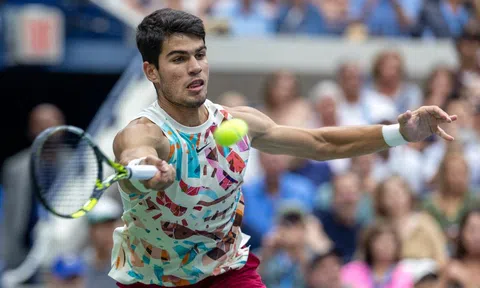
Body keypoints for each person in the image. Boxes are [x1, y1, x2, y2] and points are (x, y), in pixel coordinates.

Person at [110, 8, 457, 287]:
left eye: (200, 54)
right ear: (151, 71)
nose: (195, 67)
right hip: (152, 280)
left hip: (226, 273)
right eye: (178, 59)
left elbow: (320, 143)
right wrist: (147, 169)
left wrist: (400, 133)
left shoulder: (237, 121)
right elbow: (134, 153)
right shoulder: (145, 131)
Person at [0, 103, 65, 285]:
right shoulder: (14, 167)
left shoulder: (79, 163)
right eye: (41, 124)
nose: (47, 129)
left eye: (53, 123)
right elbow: (9, 215)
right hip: (22, 251)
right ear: (31, 129)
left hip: (62, 249)